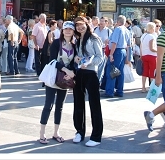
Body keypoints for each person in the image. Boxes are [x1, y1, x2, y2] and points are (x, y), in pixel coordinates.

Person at [38, 21, 77, 144]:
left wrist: (71, 73)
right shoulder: (56, 43)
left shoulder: (74, 45)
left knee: (59, 106)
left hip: (64, 80)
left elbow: (73, 63)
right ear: (62, 30)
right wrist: (66, 70)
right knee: (48, 105)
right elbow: (53, 60)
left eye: (70, 29)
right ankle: (42, 133)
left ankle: (56, 132)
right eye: (66, 29)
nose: (68, 31)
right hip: (53, 77)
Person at [72, 17, 104, 147]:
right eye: (77, 25)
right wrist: (77, 58)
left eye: (82, 24)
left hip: (91, 73)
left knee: (94, 104)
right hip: (79, 73)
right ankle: (79, 131)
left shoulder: (93, 38)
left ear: (87, 24)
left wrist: (90, 63)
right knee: (78, 103)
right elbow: (77, 56)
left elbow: (100, 57)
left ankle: (96, 136)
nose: (79, 27)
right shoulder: (78, 39)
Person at [104, 15, 131, 98]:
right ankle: (120, 91)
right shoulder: (127, 30)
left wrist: (111, 54)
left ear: (118, 22)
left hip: (116, 51)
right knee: (120, 72)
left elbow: (114, 43)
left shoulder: (118, 29)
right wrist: (128, 57)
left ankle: (109, 91)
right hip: (123, 51)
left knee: (112, 70)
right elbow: (129, 45)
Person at [139, 22, 158, 93]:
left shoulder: (143, 36)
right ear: (152, 28)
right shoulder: (151, 36)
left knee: (145, 72)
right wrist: (158, 51)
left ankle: (143, 87)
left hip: (144, 55)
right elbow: (152, 48)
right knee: (152, 72)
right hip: (152, 56)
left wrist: (141, 55)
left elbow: (141, 46)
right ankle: (152, 88)